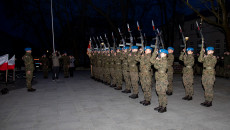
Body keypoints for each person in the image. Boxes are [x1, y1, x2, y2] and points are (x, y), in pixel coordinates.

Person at [150, 49, 168, 113]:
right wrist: (155, 53)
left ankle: (164, 106)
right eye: (160, 53)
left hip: (162, 79)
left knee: (163, 92)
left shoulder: (165, 60)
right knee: (159, 92)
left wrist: (157, 60)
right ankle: (160, 105)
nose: (160, 54)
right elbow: (151, 61)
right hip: (158, 78)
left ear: (165, 54)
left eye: (162, 53)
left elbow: (156, 66)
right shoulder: (160, 59)